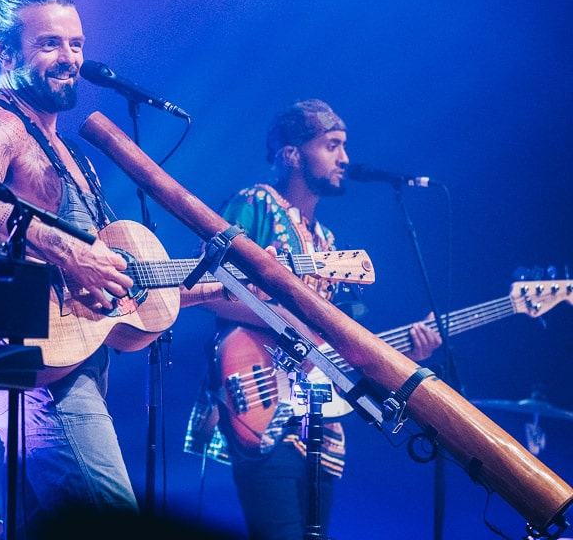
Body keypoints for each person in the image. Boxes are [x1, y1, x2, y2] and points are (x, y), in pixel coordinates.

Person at [184, 99, 442, 540]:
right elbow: (199, 289)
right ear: (292, 153)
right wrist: (288, 322)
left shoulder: (327, 241)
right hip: (259, 397)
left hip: (318, 416)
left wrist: (404, 356)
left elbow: (330, 344)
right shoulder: (255, 203)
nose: (345, 158)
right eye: (332, 145)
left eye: (344, 146)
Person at [0, 0, 139, 534]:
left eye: (76, 43)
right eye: (49, 43)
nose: (69, 58)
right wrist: (65, 250)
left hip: (75, 364)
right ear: (4, 52)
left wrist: (229, 284)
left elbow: (106, 274)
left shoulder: (67, 151)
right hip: (40, 375)